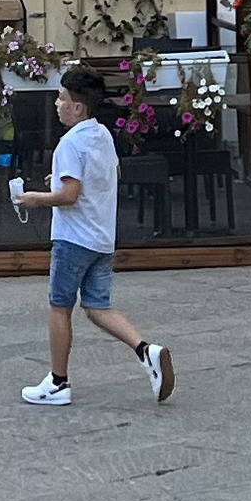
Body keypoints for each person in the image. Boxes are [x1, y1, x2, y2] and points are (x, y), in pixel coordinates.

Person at [10, 64, 171, 409]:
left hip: (73, 239)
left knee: (59, 306)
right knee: (98, 306)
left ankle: (58, 382)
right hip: (101, 237)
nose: (57, 104)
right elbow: (112, 173)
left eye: (62, 98)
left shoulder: (69, 144)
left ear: (77, 107)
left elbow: (69, 195)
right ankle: (147, 351)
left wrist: (35, 198)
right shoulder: (102, 136)